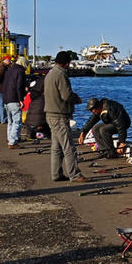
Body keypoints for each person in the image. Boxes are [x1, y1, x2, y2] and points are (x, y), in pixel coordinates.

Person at [44, 51, 87, 183]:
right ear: (66, 63)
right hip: (59, 115)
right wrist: (77, 99)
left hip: (50, 114)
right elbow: (66, 95)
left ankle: (56, 174)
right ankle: (74, 174)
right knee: (69, 147)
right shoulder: (61, 75)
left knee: (57, 147)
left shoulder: (50, 74)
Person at [2, 56, 27, 149]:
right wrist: (21, 99)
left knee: (10, 121)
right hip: (14, 99)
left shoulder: (9, 70)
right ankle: (12, 142)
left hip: (6, 99)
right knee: (17, 121)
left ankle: (10, 138)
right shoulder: (20, 71)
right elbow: (19, 86)